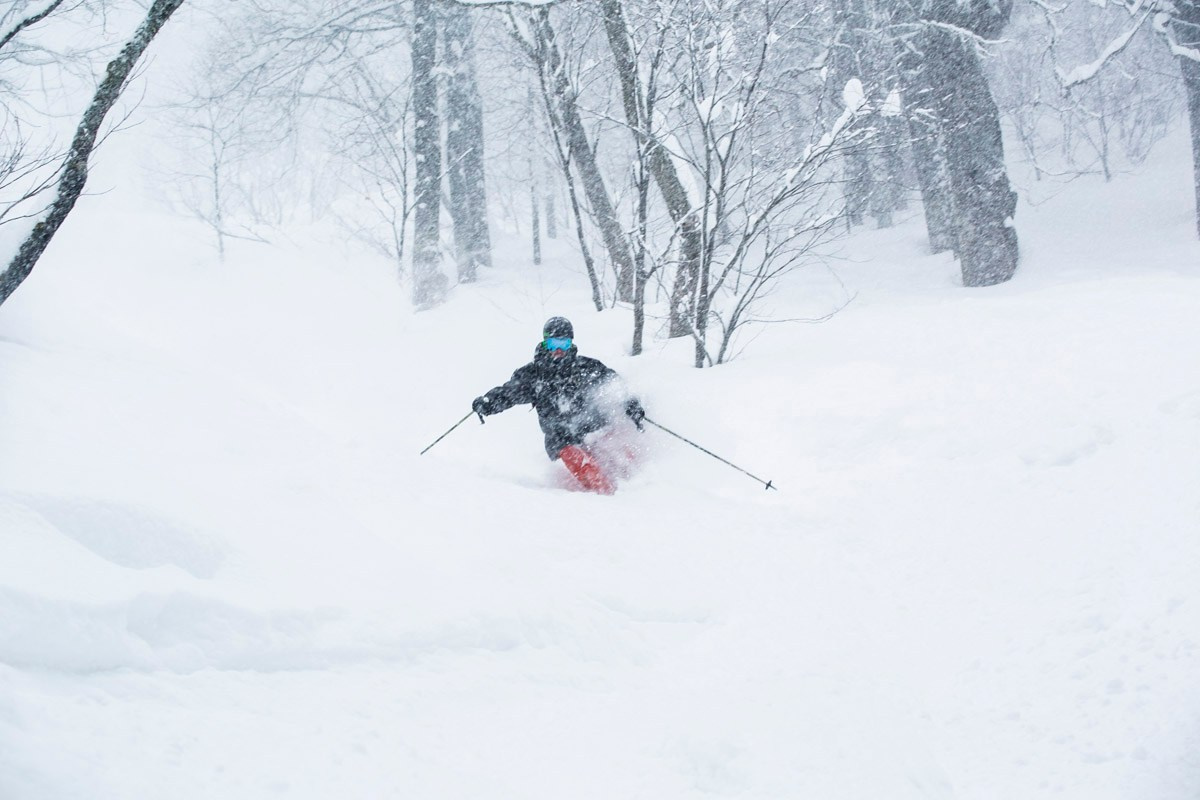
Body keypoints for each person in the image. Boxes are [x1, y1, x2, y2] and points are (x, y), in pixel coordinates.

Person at [472, 316, 646, 494]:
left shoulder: (586, 367)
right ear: (545, 342)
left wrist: (631, 405)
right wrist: (489, 403)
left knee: (622, 457)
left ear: (571, 343)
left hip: (595, 428)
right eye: (553, 343)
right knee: (589, 470)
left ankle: (641, 485)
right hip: (562, 438)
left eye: (563, 344)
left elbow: (614, 385)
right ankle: (608, 499)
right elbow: (509, 393)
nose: (558, 350)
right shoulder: (533, 375)